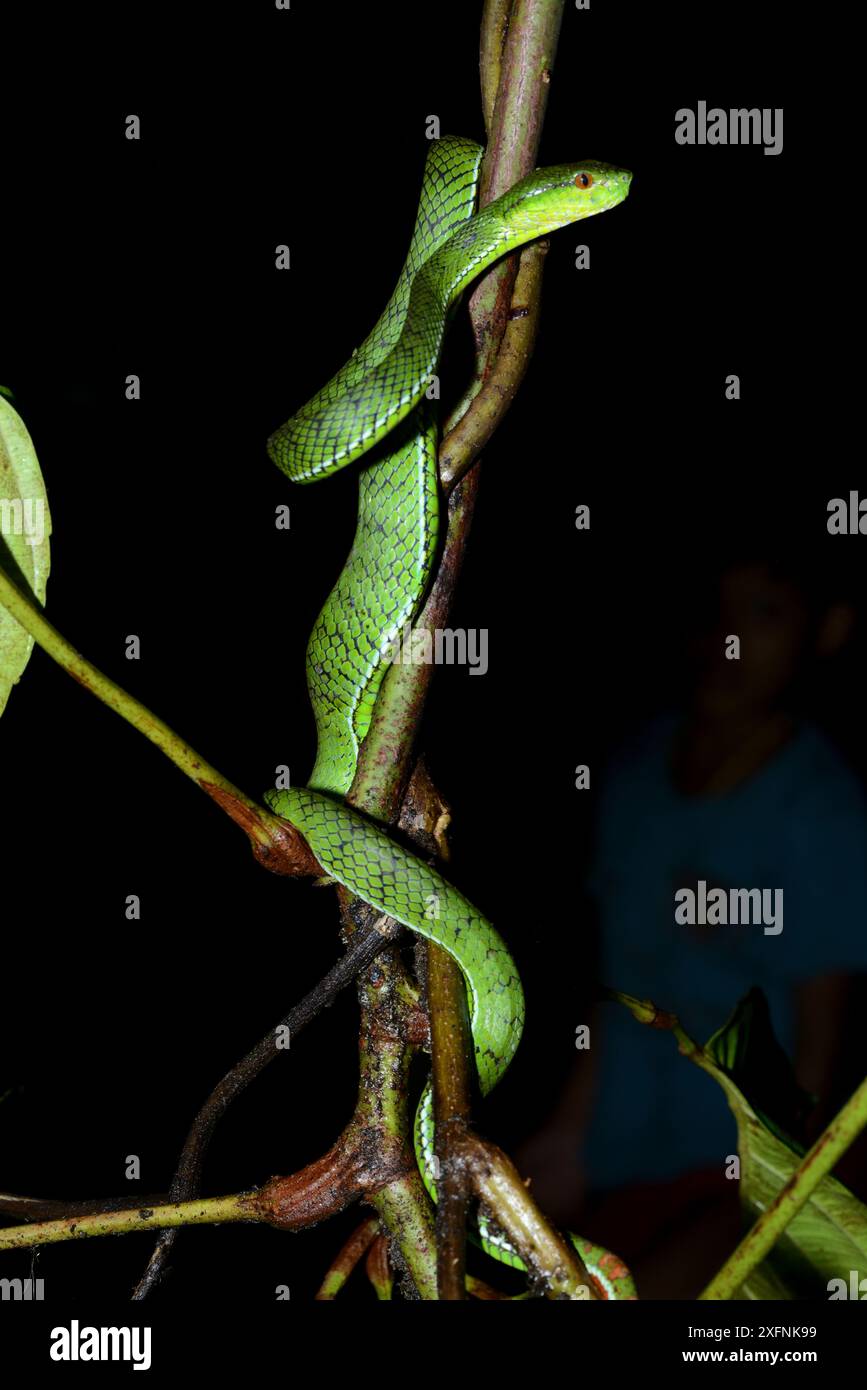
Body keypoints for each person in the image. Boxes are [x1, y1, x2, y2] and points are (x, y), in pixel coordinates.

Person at [517, 535, 867, 1297]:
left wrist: (776, 1209)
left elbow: (821, 1050)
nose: (727, 636)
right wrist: (567, 1137)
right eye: (713, 609)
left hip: (737, 1169)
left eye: (764, 612)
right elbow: (617, 981)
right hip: (617, 1152)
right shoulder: (635, 768)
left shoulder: (823, 809)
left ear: (827, 629)